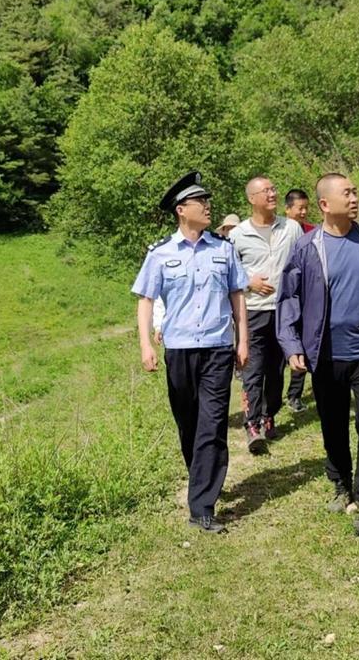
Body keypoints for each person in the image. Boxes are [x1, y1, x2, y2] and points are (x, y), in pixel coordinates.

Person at [276, 173, 359, 534]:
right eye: (346, 193)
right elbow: (288, 300)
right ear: (324, 204)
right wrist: (292, 345)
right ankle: (340, 483)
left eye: (355, 192)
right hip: (325, 355)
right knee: (333, 424)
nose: (354, 198)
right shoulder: (307, 248)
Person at [132, 172, 249, 534]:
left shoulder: (223, 249)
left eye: (207, 201)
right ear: (182, 210)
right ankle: (202, 474)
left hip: (217, 348)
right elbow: (146, 300)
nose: (208, 206)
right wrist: (146, 344)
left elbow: (237, 296)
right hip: (180, 350)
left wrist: (243, 340)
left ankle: (202, 507)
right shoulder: (161, 253)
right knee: (189, 424)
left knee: (212, 424)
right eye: (201, 202)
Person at [230, 177, 302, 453]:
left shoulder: (291, 228)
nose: (272, 194)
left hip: (284, 311)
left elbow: (302, 261)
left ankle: (269, 414)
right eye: (266, 191)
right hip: (253, 311)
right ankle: (252, 424)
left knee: (276, 370)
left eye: (274, 189)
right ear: (252, 198)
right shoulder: (238, 235)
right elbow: (229, 272)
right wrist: (249, 282)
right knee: (252, 368)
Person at [152, 213, 241, 343]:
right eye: (229, 228)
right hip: (181, 338)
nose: (231, 232)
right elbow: (163, 294)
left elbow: (237, 292)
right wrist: (158, 325)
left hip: (221, 332)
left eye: (235, 228)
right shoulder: (165, 251)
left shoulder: (229, 250)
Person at [283, 188, 314, 411]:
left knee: (301, 345)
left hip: (305, 299)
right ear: (287, 209)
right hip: (281, 297)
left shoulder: (313, 232)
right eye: (299, 208)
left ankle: (294, 394)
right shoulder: (279, 232)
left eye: (306, 208)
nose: (303, 212)